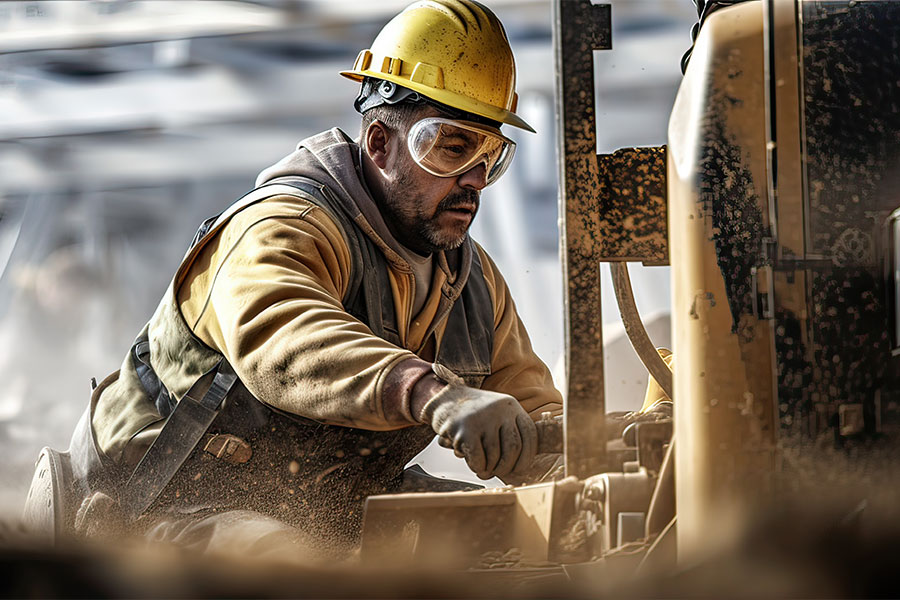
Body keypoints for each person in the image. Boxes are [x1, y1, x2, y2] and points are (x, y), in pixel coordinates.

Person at [71, 0, 562, 559]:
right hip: (164, 506)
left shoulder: (472, 286)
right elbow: (288, 338)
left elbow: (528, 404)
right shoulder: (283, 228)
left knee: (515, 540)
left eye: (491, 156)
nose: (474, 178)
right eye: (451, 147)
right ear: (379, 142)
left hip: (332, 506)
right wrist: (432, 394)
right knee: (285, 570)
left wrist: (570, 454)